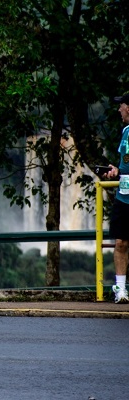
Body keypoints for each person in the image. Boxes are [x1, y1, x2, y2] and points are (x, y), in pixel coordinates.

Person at [102, 93, 129, 304]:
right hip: (124, 196)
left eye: (121, 106)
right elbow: (124, 166)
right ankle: (120, 289)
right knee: (120, 242)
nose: (119, 110)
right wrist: (115, 171)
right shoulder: (126, 132)